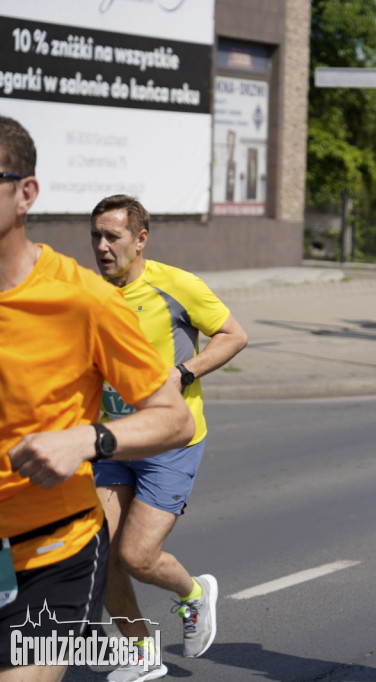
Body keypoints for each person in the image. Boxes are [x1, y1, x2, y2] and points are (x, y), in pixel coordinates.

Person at [0, 116, 194, 682]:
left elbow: (173, 418)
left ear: (24, 194)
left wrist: (89, 438)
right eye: (98, 237)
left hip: (50, 554)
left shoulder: (83, 301)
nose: (105, 247)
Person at [88, 195, 248, 679]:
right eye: (95, 236)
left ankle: (194, 592)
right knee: (102, 550)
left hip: (171, 444)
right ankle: (141, 654)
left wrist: (185, 371)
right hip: (115, 440)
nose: (101, 246)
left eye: (111, 236)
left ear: (140, 240)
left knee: (137, 555)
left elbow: (233, 335)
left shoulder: (176, 285)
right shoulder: (90, 294)